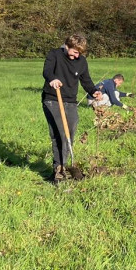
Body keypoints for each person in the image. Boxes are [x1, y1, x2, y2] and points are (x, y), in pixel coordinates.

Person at [42, 35, 101, 183]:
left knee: (70, 133)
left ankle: (66, 165)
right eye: (74, 52)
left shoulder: (81, 61)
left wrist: (93, 91)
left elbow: (86, 80)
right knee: (60, 134)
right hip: (53, 99)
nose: (76, 56)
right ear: (67, 46)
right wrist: (52, 79)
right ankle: (58, 169)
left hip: (71, 101)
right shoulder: (55, 54)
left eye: (79, 53)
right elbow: (47, 71)